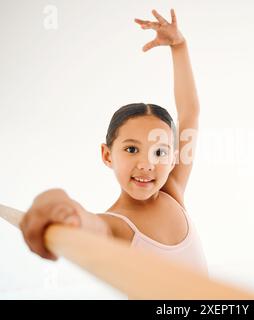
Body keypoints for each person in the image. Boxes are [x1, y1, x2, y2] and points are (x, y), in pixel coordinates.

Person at [19, 8, 208, 276]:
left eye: (160, 152)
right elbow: (88, 225)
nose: (146, 163)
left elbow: (190, 113)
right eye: (132, 149)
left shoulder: (173, 192)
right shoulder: (114, 225)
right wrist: (59, 202)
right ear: (107, 155)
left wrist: (180, 45)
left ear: (174, 157)